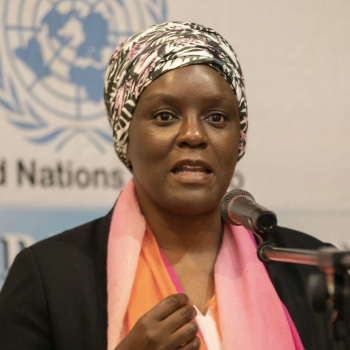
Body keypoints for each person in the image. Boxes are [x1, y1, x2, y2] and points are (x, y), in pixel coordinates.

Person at [0, 22, 332, 350]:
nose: (194, 135)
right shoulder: (50, 276)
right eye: (165, 116)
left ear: (239, 137)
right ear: (125, 137)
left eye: (216, 117)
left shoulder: (308, 267)